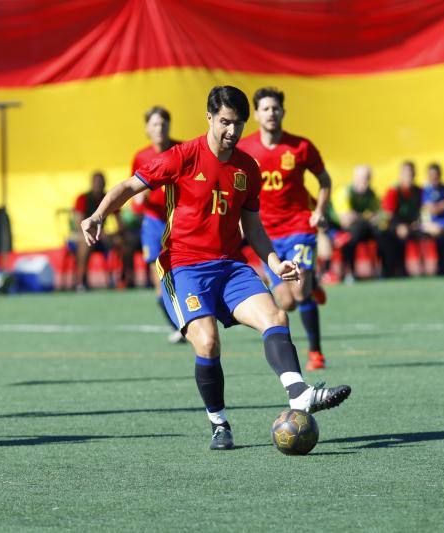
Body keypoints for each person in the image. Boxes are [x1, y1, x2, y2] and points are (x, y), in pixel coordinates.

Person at [80, 86, 351, 450]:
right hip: (184, 266)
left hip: (230, 266)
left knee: (276, 317)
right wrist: (98, 215)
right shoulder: (182, 156)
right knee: (207, 343)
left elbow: (252, 226)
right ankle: (219, 423)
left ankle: (299, 394)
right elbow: (130, 185)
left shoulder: (246, 167)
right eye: (224, 122)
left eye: (238, 124)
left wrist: (273, 262)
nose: (232, 132)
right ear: (209, 117)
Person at [238, 87, 333, 371]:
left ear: (283, 112)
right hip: (265, 234)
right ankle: (312, 283)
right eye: (265, 109)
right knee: (286, 301)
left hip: (299, 226)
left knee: (300, 291)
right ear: (256, 114)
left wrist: (319, 212)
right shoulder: (244, 149)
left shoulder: (301, 147)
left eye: (276, 108)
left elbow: (324, 180)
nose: (271, 113)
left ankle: (316, 353)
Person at [130, 106, 184, 343]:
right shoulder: (141, 157)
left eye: (163, 123)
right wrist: (138, 200)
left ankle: (190, 317)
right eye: (154, 124)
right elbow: (134, 193)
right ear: (147, 129)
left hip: (179, 220)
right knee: (159, 278)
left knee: (182, 273)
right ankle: (178, 325)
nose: (159, 128)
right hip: (153, 223)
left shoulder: (182, 150)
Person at [72, 171, 131, 290]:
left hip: (102, 236)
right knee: (85, 243)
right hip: (83, 234)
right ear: (91, 183)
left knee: (124, 243)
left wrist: (115, 234)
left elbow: (120, 223)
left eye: (101, 183)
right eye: (96, 182)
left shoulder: (108, 198)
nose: (99, 185)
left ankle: (124, 278)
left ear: (105, 184)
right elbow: (78, 223)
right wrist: (98, 233)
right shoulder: (83, 198)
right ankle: (81, 280)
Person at [336, 165, 382, 280]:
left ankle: (385, 271)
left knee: (382, 234)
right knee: (352, 237)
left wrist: (359, 216)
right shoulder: (344, 192)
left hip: (362, 228)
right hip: (336, 228)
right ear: (355, 178)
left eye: (368, 178)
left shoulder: (371, 193)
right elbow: (345, 220)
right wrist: (366, 216)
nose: (365, 182)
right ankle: (350, 273)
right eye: (363, 178)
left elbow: (377, 216)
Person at [379, 161, 422, 277]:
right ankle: (392, 270)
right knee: (394, 234)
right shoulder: (394, 191)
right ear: (400, 175)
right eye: (407, 174)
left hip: (412, 224)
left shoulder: (418, 191)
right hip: (392, 224)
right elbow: (388, 215)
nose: (410, 177)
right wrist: (400, 226)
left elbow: (422, 210)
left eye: (412, 174)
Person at [421, 162, 444, 275]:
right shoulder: (426, 190)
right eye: (431, 175)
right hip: (432, 224)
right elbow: (432, 210)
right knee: (443, 233)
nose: (434, 177)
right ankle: (442, 268)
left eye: (436, 174)